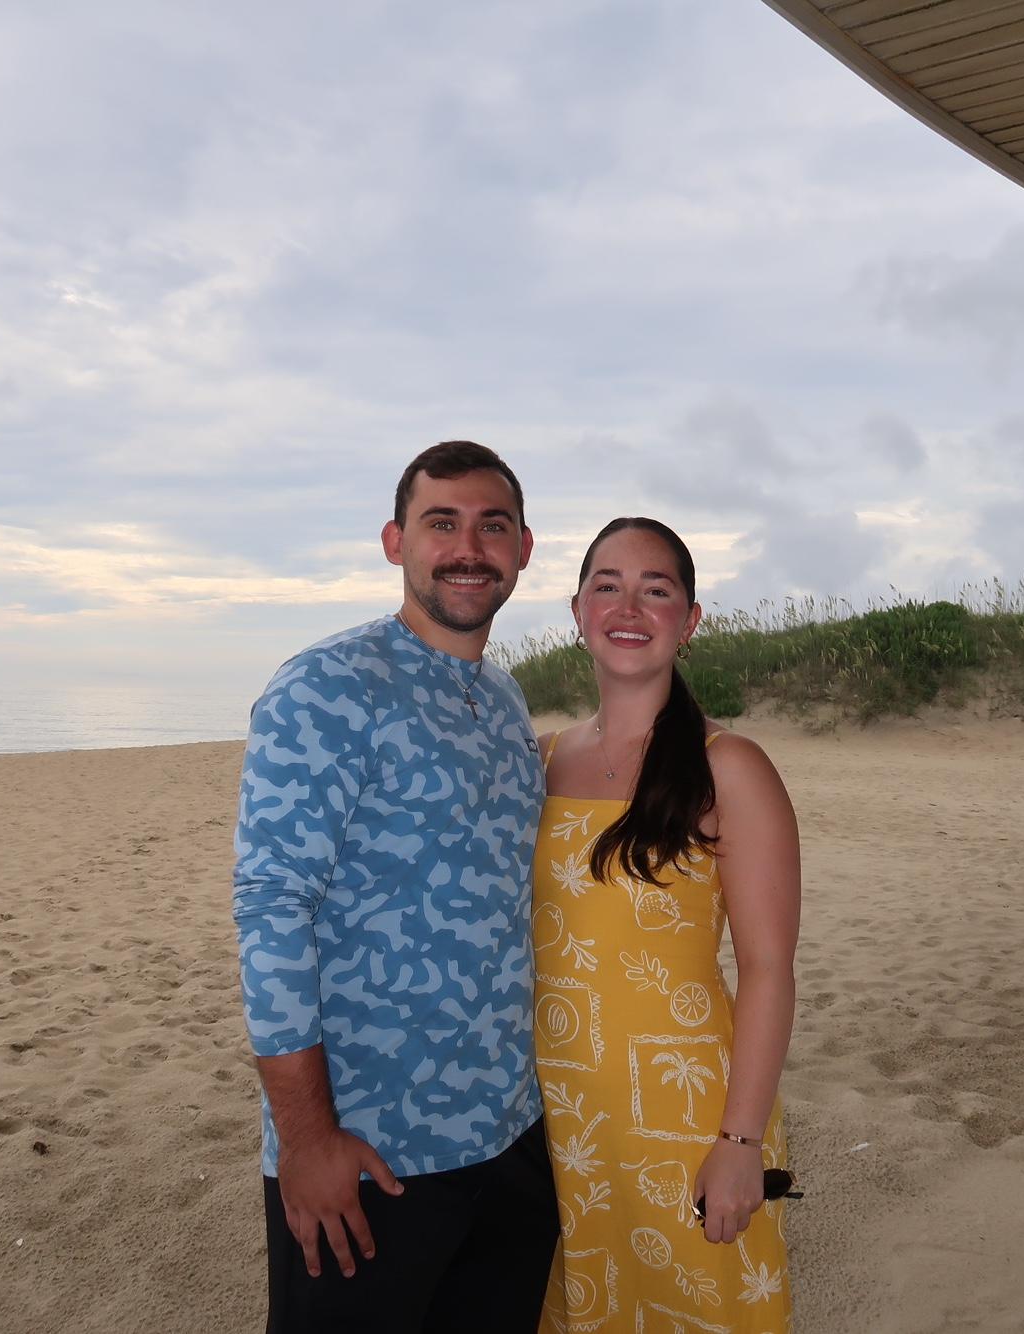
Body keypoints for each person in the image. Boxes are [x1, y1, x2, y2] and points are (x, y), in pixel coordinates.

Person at [232, 441, 560, 1334]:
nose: (468, 546)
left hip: (508, 1138)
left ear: (523, 549)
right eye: (440, 523)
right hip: (372, 1154)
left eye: (492, 526)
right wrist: (305, 1141)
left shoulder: (505, 701)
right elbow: (270, 909)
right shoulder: (326, 687)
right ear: (395, 541)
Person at [532, 517, 799, 1333]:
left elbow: (766, 968)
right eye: (607, 585)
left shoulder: (730, 766)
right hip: (561, 1116)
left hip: (684, 1116)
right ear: (577, 610)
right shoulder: (542, 759)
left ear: (690, 619)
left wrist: (741, 1143)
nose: (628, 606)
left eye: (657, 590)